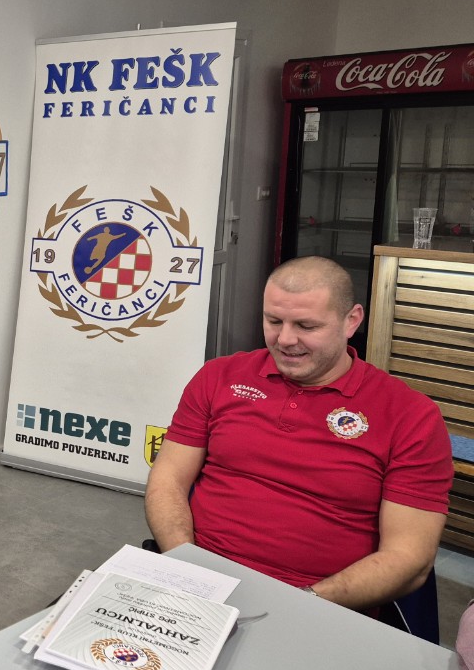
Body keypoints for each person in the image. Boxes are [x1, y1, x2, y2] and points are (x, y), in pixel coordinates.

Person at [146, 256, 452, 612]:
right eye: (274, 321)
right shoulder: (219, 377)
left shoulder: (410, 415)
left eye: (306, 325)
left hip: (322, 603)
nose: (285, 339)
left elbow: (409, 557)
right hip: (197, 580)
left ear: (351, 321)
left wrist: (300, 604)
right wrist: (186, 567)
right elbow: (167, 480)